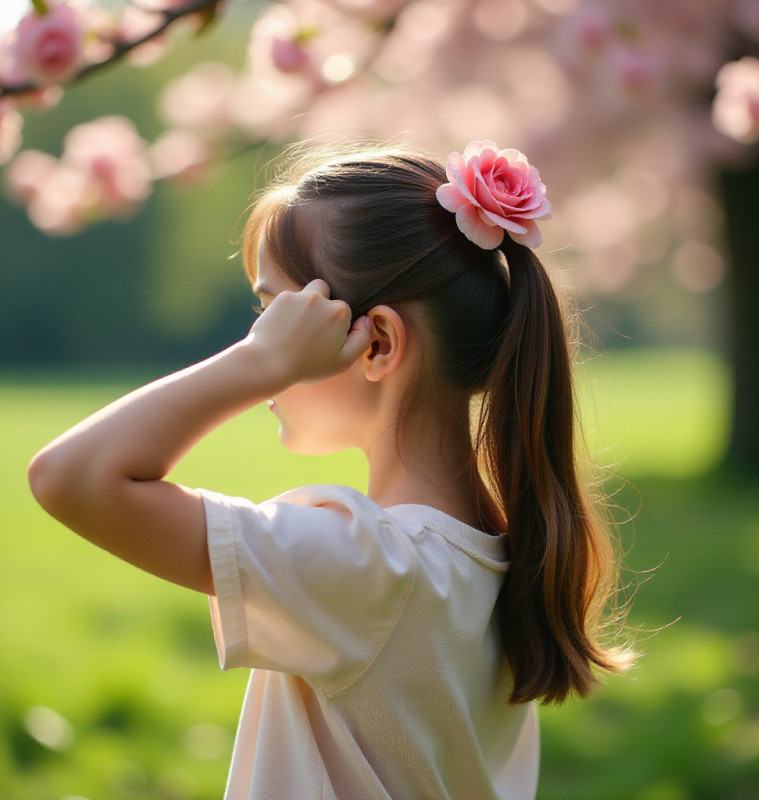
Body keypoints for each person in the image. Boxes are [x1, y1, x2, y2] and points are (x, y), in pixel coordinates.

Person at [28, 140, 634, 799]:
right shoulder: (499, 552)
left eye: (276, 314)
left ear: (376, 343)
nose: (262, 338)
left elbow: (70, 477)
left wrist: (256, 365)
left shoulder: (366, 567)